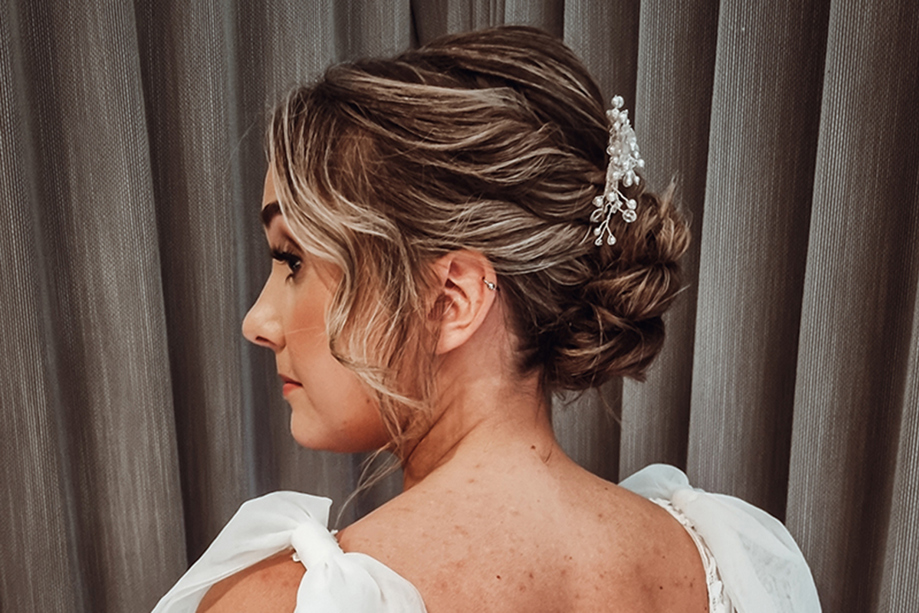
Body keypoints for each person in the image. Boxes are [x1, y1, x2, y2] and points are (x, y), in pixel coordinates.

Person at [153, 26, 820, 613]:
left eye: (291, 260)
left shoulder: (289, 601)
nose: (258, 321)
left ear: (454, 300)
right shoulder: (734, 562)